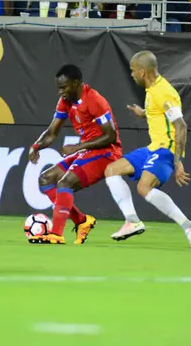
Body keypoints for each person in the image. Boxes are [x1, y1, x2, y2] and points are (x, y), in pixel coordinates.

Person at [104, 51, 191, 249]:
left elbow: (181, 125)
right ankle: (132, 221)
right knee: (111, 170)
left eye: (133, 71)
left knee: (143, 187)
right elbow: (158, 113)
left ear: (143, 71)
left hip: (166, 149)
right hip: (152, 148)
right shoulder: (151, 90)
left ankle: (189, 226)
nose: (131, 74)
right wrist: (142, 113)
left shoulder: (164, 92)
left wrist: (177, 161)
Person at [28, 64, 122, 245]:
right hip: (89, 150)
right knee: (46, 179)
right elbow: (52, 132)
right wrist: (36, 146)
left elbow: (110, 136)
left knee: (65, 182)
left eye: (64, 87)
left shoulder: (94, 100)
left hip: (107, 153)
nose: (60, 92)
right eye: (59, 88)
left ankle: (56, 235)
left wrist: (78, 146)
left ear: (76, 83)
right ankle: (81, 221)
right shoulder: (66, 101)